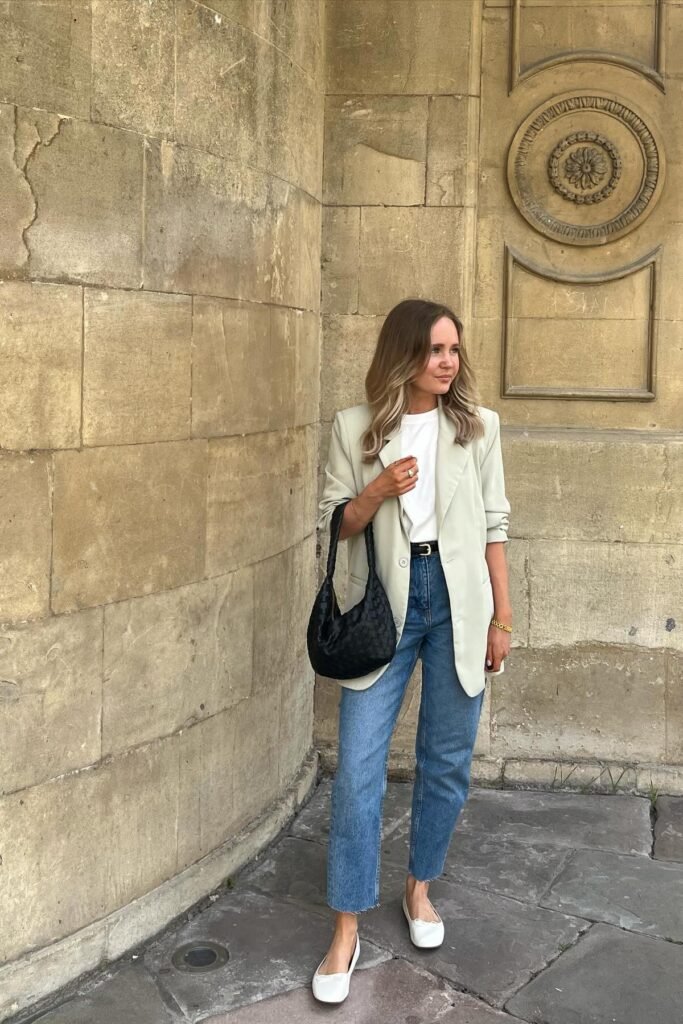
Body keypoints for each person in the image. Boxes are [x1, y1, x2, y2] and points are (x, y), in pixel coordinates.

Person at [311, 298, 512, 1004]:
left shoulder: (478, 427)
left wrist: (501, 620)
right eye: (433, 350)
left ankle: (418, 889)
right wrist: (375, 491)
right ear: (404, 354)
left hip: (459, 604)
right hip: (385, 607)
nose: (447, 361)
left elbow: (494, 526)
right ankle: (345, 928)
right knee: (359, 769)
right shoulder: (356, 428)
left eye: (452, 349)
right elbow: (335, 525)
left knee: (446, 759)